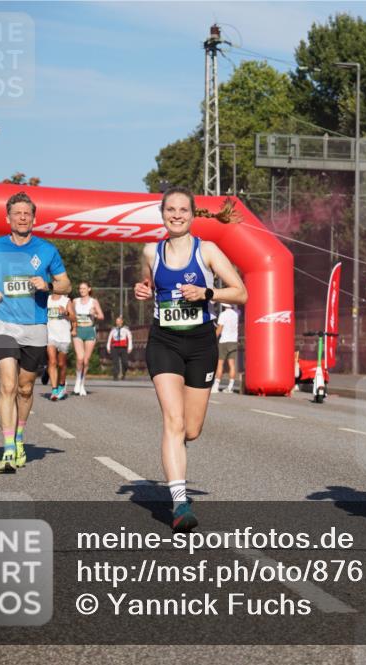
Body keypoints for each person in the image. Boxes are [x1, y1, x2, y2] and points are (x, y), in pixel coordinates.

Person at [134, 186, 247, 532]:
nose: (177, 215)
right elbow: (147, 286)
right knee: (173, 420)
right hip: (163, 341)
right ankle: (180, 503)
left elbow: (241, 292)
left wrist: (207, 292)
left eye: (183, 210)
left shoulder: (208, 251)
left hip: (200, 344)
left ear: (193, 214)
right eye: (171, 209)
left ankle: (177, 451)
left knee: (191, 429)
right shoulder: (151, 251)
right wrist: (142, 290)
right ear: (162, 212)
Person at [0, 191, 70, 474]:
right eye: (17, 213)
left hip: (35, 326)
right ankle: (8, 448)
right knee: (8, 385)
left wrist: (48, 285)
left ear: (34, 218)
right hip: (2, 323)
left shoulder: (47, 250)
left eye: (27, 213)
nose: (23, 217)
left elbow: (66, 284)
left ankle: (20, 436)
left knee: (25, 389)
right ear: (8, 218)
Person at [71, 281, 103, 396]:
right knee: (80, 358)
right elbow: (71, 314)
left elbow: (101, 316)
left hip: (90, 330)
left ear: (89, 289)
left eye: (84, 288)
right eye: (80, 288)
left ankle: (82, 384)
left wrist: (94, 314)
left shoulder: (93, 302)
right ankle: (77, 380)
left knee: (86, 360)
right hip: (78, 330)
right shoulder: (75, 301)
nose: (82, 290)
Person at [46, 290, 74, 400]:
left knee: (62, 364)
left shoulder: (66, 300)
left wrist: (66, 313)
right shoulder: (47, 299)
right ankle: (54, 390)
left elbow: (74, 318)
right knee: (52, 362)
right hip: (50, 335)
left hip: (64, 336)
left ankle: (62, 385)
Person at [212, 303, 239, 394]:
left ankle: (216, 386)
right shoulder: (236, 314)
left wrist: (212, 338)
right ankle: (230, 386)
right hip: (233, 340)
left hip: (224, 341)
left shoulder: (223, 315)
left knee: (220, 364)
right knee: (232, 364)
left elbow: (220, 328)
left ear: (223, 306)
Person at [106, 315, 133, 380]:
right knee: (115, 362)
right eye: (116, 321)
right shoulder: (113, 330)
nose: (117, 322)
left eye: (119, 321)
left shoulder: (126, 329)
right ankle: (115, 375)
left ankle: (124, 373)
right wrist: (108, 347)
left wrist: (130, 347)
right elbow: (109, 339)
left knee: (125, 362)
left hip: (123, 347)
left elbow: (129, 338)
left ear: (122, 322)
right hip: (115, 347)